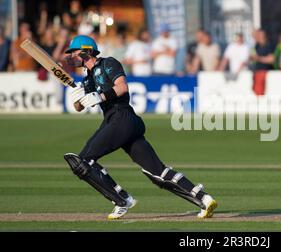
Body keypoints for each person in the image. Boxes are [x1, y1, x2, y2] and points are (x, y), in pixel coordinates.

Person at [63, 35, 217, 220]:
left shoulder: (108, 64)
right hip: (120, 122)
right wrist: (77, 97)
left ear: (86, 50)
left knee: (83, 161)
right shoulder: (87, 79)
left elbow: (122, 87)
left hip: (122, 118)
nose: (71, 56)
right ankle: (204, 199)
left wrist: (100, 96)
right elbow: (79, 107)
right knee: (156, 172)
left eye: (73, 52)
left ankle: (122, 200)